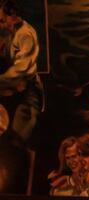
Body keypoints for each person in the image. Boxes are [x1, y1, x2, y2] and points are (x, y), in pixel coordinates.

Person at [0, 0, 43, 144]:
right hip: (13, 91)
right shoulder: (11, 35)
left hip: (28, 92)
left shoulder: (25, 34)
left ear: (13, 15)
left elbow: (21, 68)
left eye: (3, 20)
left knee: (21, 138)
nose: (2, 24)